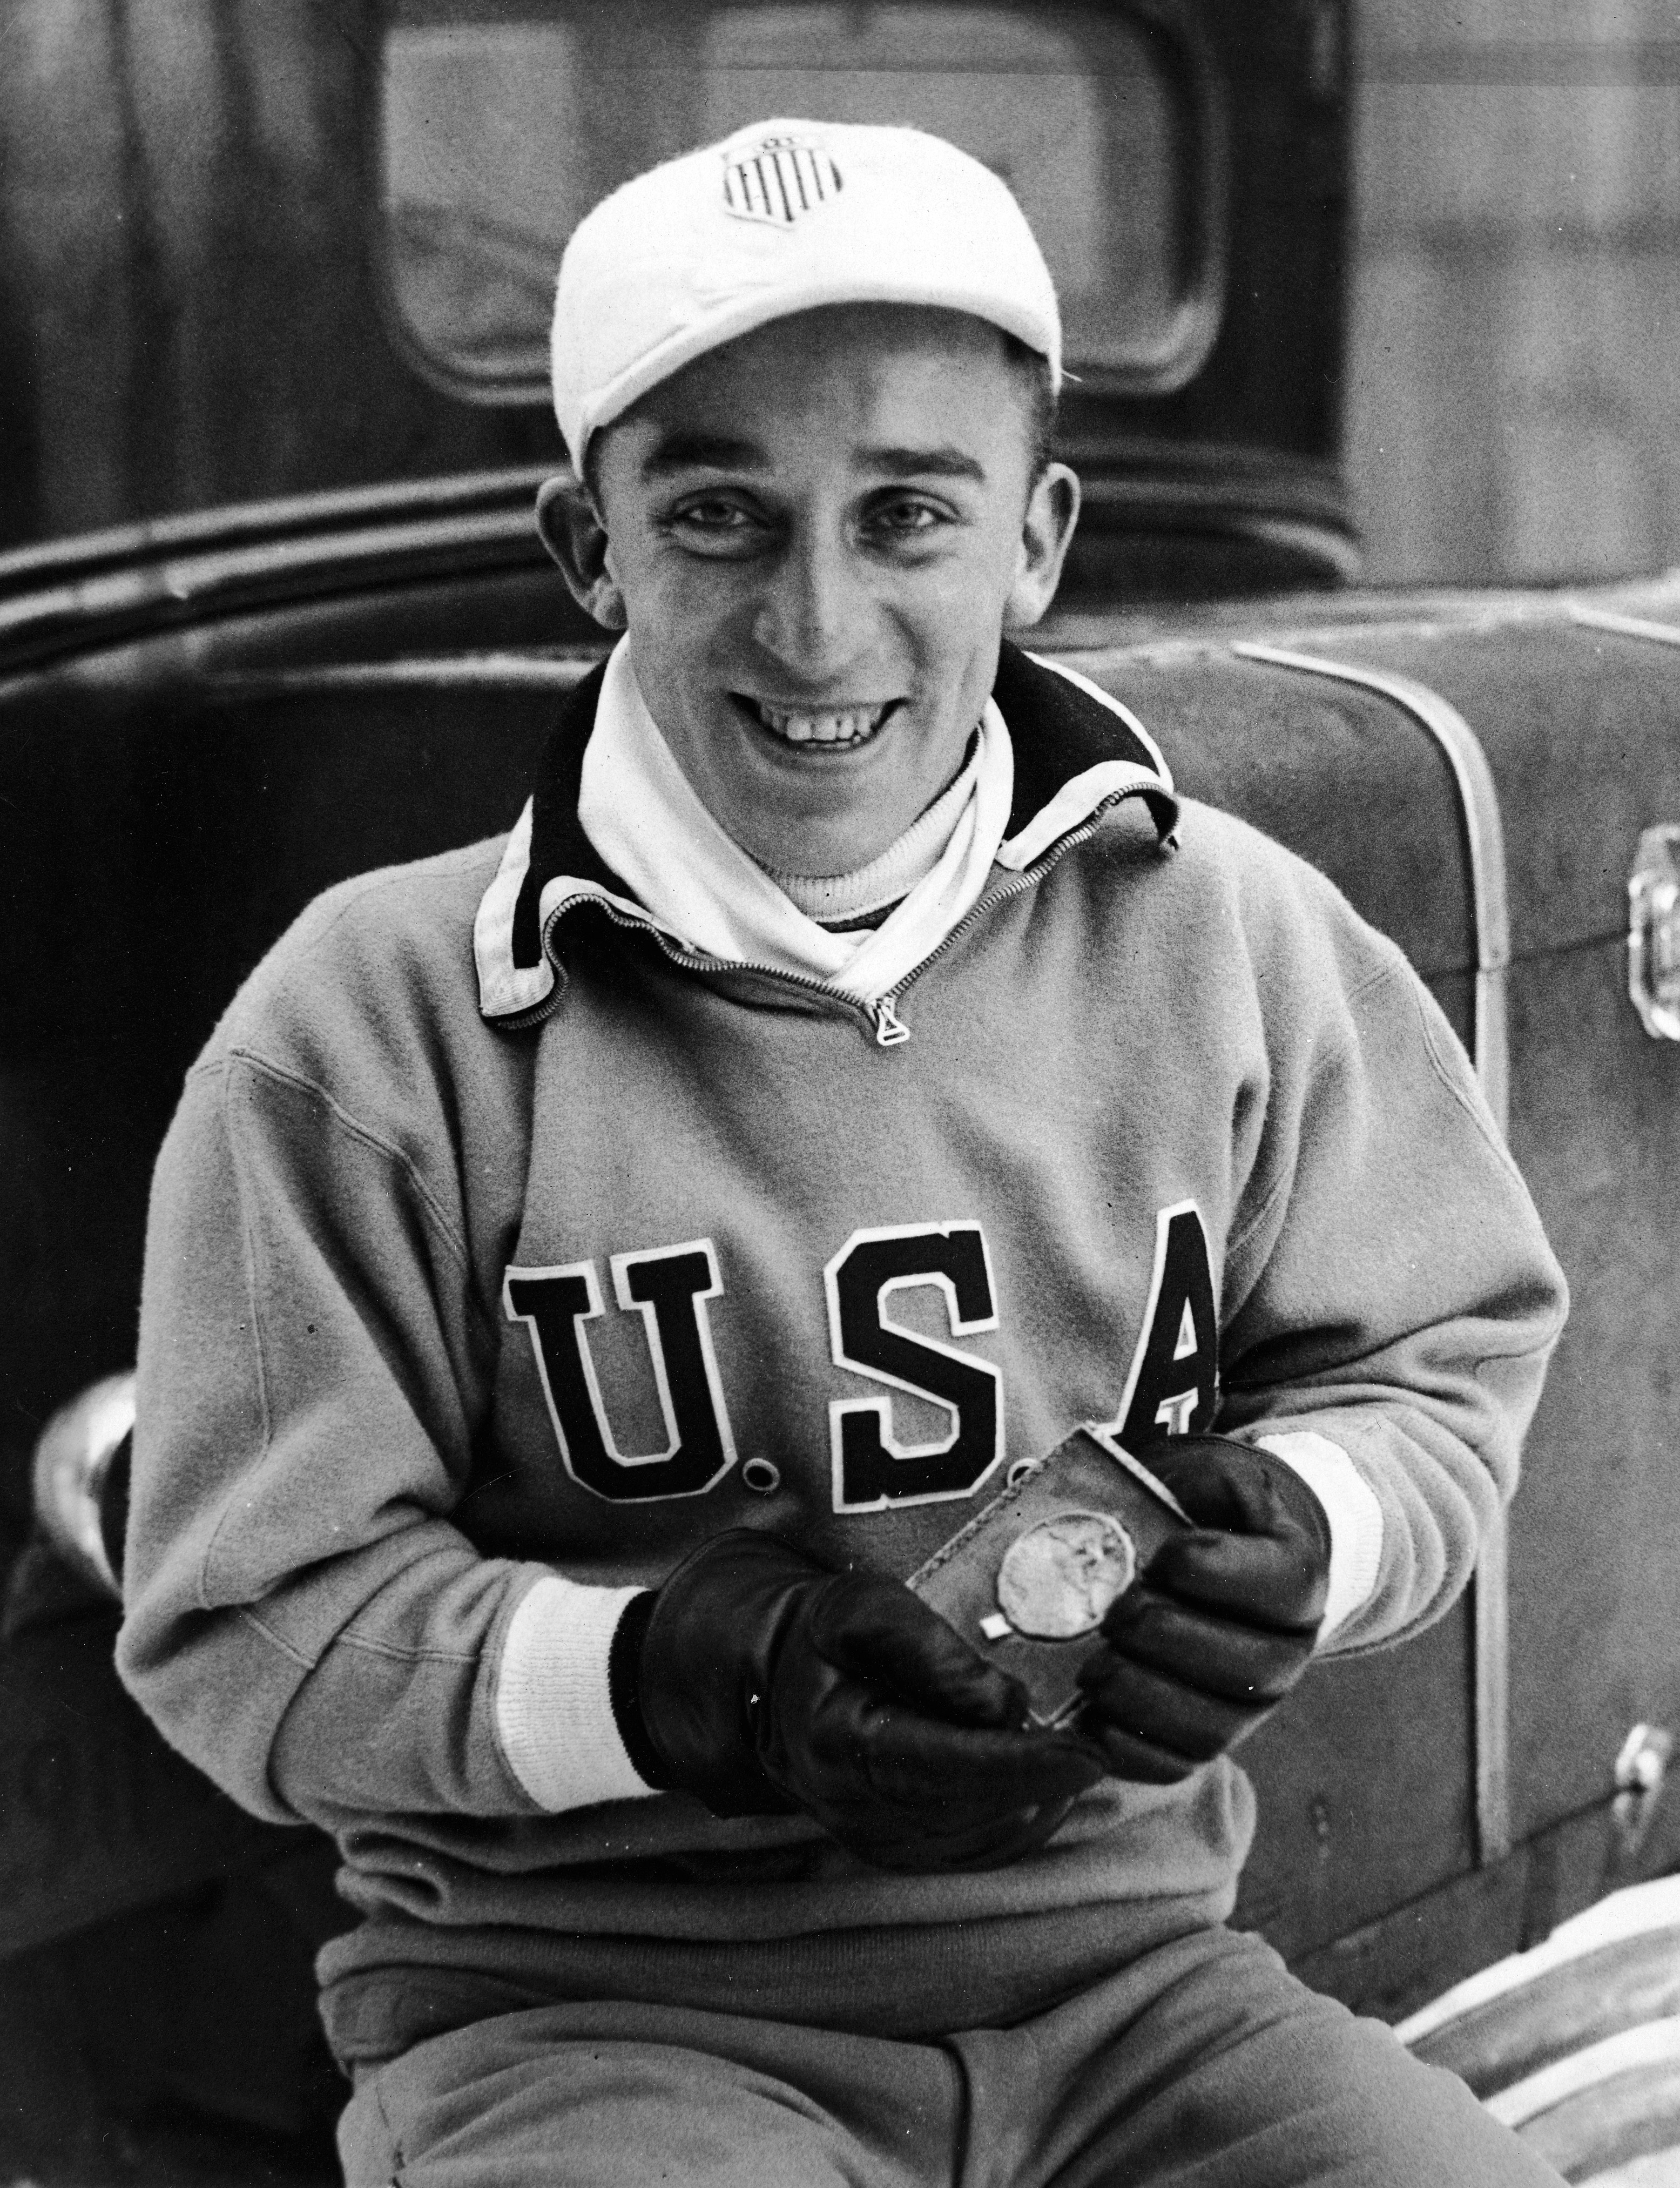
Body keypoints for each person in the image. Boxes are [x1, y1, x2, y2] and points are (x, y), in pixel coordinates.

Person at [118, 119, 1570, 2185]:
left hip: (1136, 1993)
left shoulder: (1230, 933)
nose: (818, 624)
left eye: (908, 513)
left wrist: (1312, 1526)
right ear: (587, 547)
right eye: (718, 514)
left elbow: (1444, 1357)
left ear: (1041, 538)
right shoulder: (367, 1026)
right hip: (581, 2021)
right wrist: (672, 1671)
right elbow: (246, 1625)